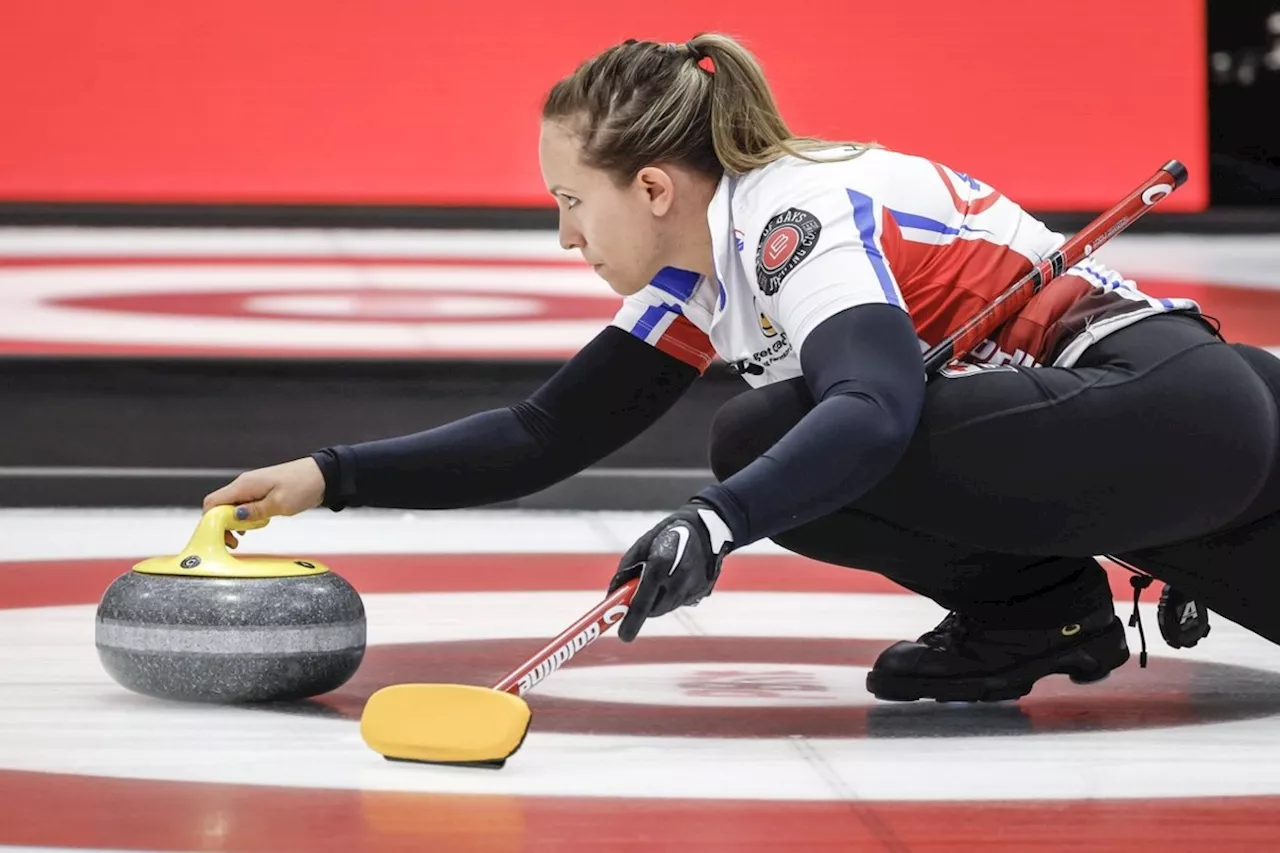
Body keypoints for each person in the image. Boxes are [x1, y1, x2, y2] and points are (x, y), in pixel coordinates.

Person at [203, 33, 1280, 704]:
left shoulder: (786, 217)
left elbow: (873, 404)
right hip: (1156, 436)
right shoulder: (693, 279)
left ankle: (1029, 611)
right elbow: (544, 434)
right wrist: (328, 474)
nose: (562, 238)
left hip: (1173, 409)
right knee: (772, 441)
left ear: (655, 189)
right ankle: (1040, 616)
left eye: (570, 202)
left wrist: (713, 522)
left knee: (765, 439)